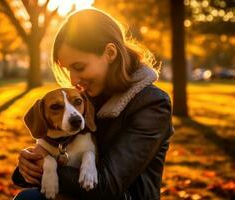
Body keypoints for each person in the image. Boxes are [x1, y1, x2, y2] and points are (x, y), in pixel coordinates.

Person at [12, 8, 173, 200]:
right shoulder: (84, 98)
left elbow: (109, 185)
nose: (72, 79)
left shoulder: (152, 104)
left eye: (79, 67)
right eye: (67, 69)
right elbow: (54, 148)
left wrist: (50, 172)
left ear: (110, 53)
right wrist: (26, 166)